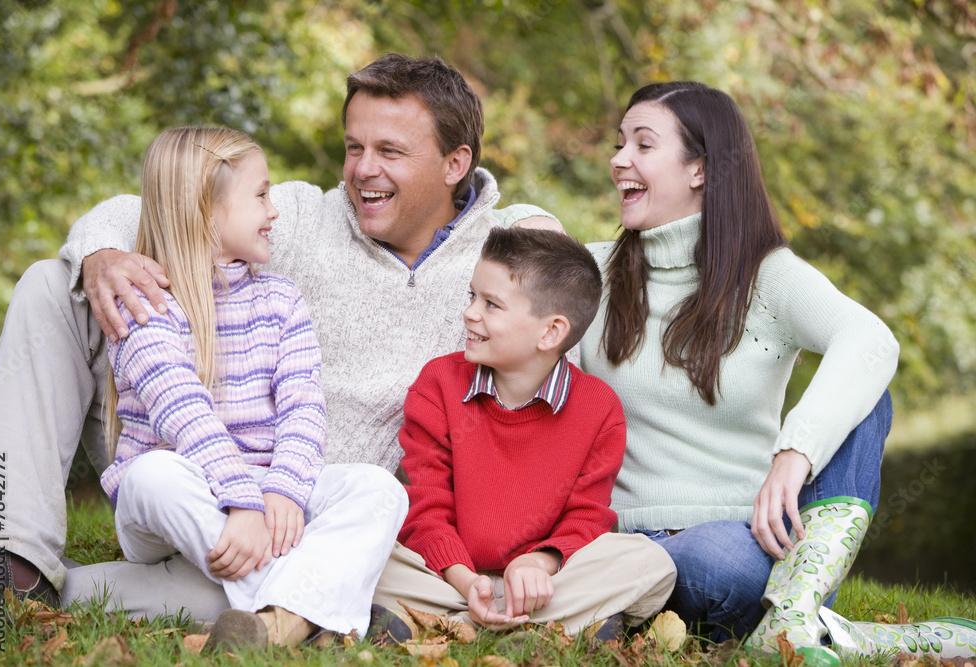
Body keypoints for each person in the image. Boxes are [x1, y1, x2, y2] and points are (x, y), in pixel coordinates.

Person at [0, 53, 558, 616]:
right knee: (53, 283)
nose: (362, 169)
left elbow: (568, 283)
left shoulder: (501, 260)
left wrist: (542, 227)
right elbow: (161, 205)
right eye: (354, 147)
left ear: (455, 165)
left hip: (306, 501)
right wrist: (102, 252)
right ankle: (6, 547)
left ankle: (100, 593)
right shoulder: (302, 216)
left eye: (390, 151)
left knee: (238, 581)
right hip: (179, 451)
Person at [579, 80, 975, 663]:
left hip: (748, 547)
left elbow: (871, 340)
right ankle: (824, 634)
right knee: (695, 559)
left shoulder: (766, 277)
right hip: (634, 548)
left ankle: (791, 608)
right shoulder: (591, 274)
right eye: (619, 144)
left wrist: (796, 453)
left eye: (642, 144)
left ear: (700, 170)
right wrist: (531, 220)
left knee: (867, 401)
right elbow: (505, 272)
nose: (618, 161)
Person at [100, 126, 406, 649]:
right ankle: (317, 609)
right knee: (153, 475)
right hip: (181, 501)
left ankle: (274, 626)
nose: (274, 210)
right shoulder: (145, 306)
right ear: (205, 211)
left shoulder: (283, 301)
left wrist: (282, 488)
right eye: (261, 195)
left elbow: (304, 409)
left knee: (378, 489)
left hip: (264, 497)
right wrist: (241, 502)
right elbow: (184, 412)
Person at [370, 227, 676, 642]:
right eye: (472, 296)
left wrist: (539, 564)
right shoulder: (439, 383)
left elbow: (587, 517)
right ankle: (535, 628)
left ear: (550, 333)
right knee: (369, 550)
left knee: (651, 562)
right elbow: (427, 504)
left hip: (542, 585)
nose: (471, 313)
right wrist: (464, 580)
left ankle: (454, 626)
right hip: (444, 576)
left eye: (491, 304)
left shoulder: (599, 408)